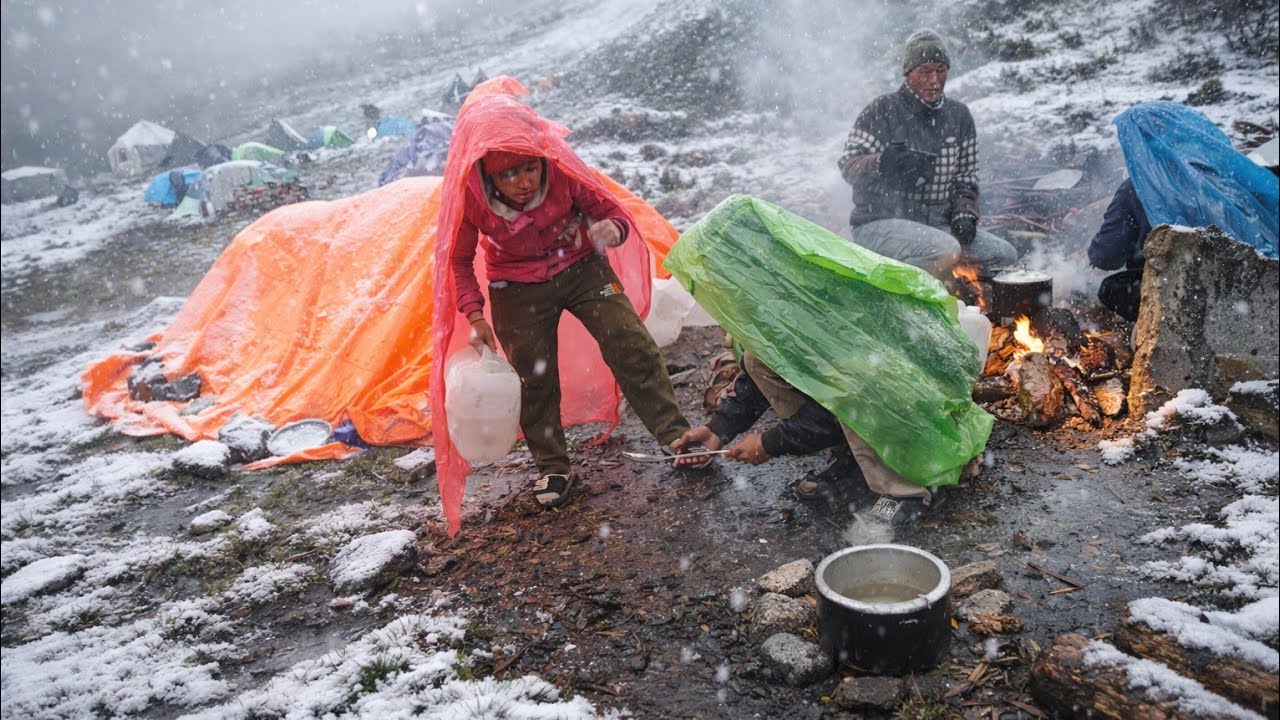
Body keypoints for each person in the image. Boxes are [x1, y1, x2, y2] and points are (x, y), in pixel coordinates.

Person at [449, 106, 710, 509]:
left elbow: (614, 213)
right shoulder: (470, 195)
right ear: (488, 174)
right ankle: (553, 466)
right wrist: (475, 315)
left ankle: (675, 435)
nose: (523, 182)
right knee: (533, 377)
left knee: (629, 340)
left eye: (529, 169)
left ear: (541, 159)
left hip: (580, 266)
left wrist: (609, 230)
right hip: (514, 284)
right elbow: (458, 260)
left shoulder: (563, 170)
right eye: (509, 174)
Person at [673, 351, 952, 528]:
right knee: (758, 358)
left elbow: (842, 399)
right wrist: (719, 428)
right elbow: (779, 357)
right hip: (854, 383)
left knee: (856, 375)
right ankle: (856, 459)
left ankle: (903, 485)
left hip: (903, 389)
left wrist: (770, 443)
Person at [837, 29, 1017, 279]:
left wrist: (964, 212)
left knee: (1004, 255)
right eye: (925, 71)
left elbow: (966, 176)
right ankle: (912, 304)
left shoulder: (958, 117)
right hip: (879, 222)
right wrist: (881, 163)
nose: (934, 80)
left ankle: (962, 295)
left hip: (936, 223)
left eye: (941, 70)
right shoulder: (882, 110)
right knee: (944, 250)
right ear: (908, 73)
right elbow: (848, 165)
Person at [1087, 177, 1150, 322]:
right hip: (1207, 286)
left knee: (1109, 290)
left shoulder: (1139, 183)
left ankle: (1146, 326)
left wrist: (1094, 254)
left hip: (1161, 287)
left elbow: (1107, 256)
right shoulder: (1207, 174)